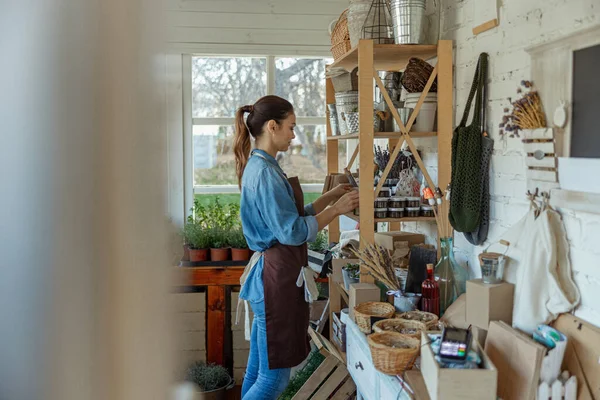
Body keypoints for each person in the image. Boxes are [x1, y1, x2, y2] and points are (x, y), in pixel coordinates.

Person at [233, 95, 359, 400]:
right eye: (290, 127)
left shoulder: (262, 165)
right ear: (272, 127)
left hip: (270, 277)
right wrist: (338, 210)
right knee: (274, 380)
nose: (293, 134)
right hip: (275, 282)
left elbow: (290, 217)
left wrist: (329, 199)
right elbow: (291, 231)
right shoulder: (265, 172)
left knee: (257, 373)